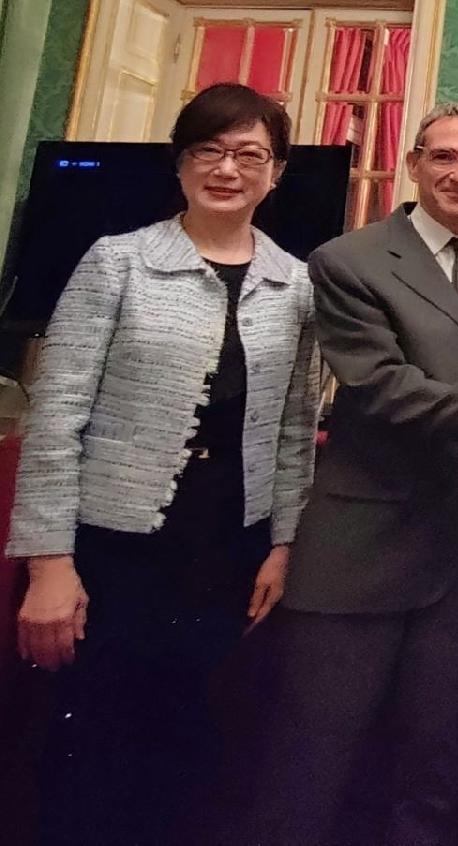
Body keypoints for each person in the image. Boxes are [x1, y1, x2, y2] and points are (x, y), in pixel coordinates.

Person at [241, 102, 458, 845]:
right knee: (314, 759)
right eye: (444, 157)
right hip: (364, 546)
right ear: (413, 164)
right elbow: (384, 390)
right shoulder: (348, 261)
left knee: (439, 762)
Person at [8, 82, 321, 845]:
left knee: (193, 745)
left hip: (229, 551)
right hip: (114, 549)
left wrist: (284, 545)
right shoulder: (118, 262)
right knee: (93, 747)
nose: (227, 168)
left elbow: (293, 429)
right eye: (208, 149)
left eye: (249, 154)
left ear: (276, 171)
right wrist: (49, 564)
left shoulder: (296, 284)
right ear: (180, 163)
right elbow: (56, 416)